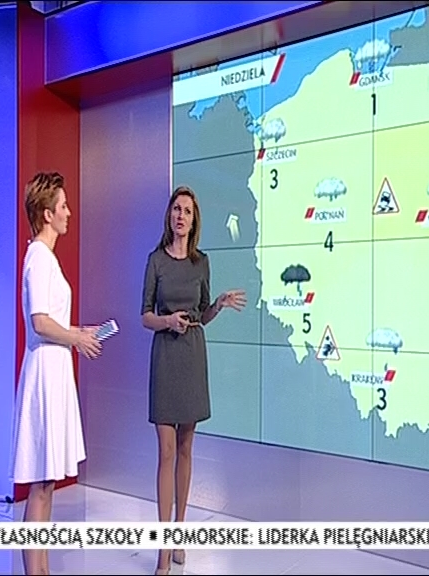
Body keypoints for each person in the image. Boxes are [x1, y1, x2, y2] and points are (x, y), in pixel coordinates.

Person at [141, 185, 247, 575]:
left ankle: (179, 533)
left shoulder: (202, 263)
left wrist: (216, 305)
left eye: (186, 211)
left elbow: (202, 315)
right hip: (165, 357)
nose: (180, 216)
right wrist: (167, 321)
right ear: (169, 216)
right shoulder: (155, 261)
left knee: (186, 449)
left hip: (192, 357)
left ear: (193, 220)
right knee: (166, 452)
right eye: (176, 209)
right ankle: (162, 545)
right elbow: (144, 316)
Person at [10, 172, 103, 576]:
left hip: (54, 369)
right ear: (47, 214)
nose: (69, 212)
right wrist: (75, 338)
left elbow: (52, 322)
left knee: (47, 484)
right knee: (41, 484)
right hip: (45, 374)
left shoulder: (45, 259)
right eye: (63, 206)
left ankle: (42, 568)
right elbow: (40, 322)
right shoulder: (38, 257)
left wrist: (79, 332)